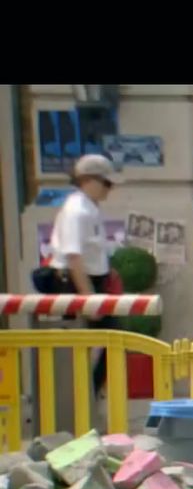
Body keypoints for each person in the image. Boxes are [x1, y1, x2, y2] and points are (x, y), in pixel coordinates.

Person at [40, 154, 122, 391]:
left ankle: (89, 393)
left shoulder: (90, 208)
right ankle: (85, 394)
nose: (110, 189)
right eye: (106, 183)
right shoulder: (77, 210)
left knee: (110, 342)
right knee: (104, 342)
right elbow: (73, 255)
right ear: (88, 180)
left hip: (91, 281)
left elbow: (90, 250)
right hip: (76, 283)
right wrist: (88, 298)